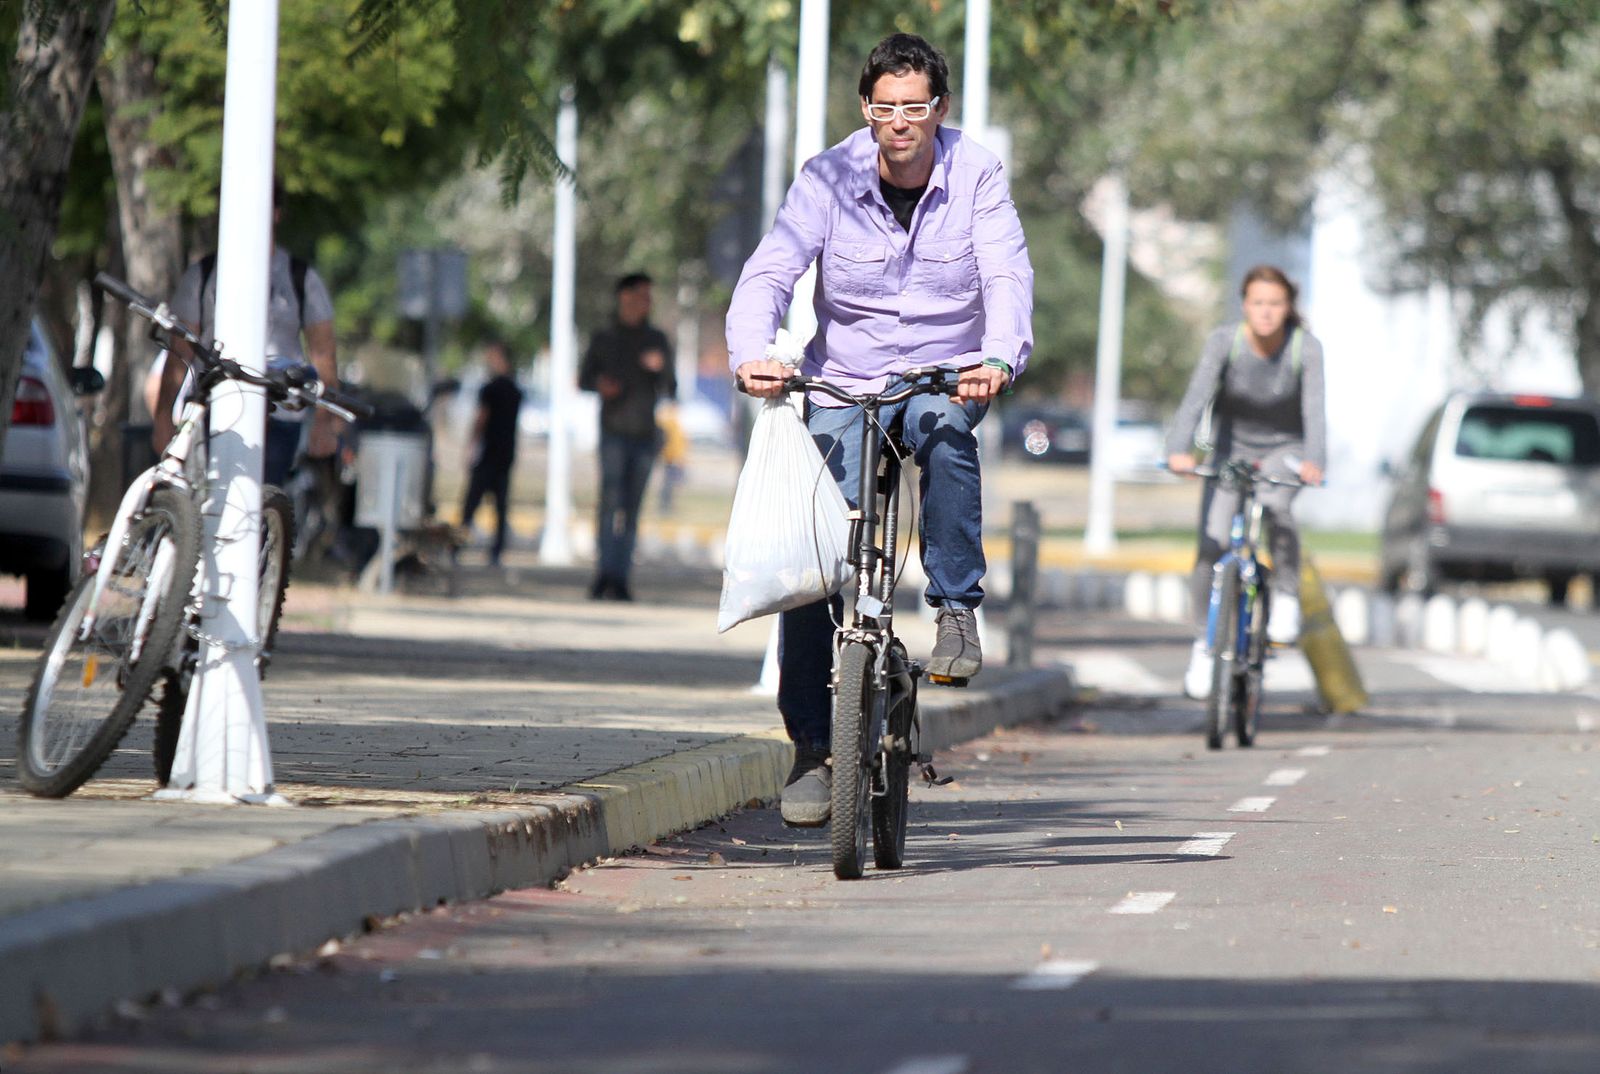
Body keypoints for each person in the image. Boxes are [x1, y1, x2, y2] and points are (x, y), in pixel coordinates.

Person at [726, 32, 1033, 826]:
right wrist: (752, 353)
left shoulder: (977, 175)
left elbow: (1005, 274)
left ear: (940, 110)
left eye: (916, 108)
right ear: (867, 109)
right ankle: (812, 752)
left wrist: (998, 356)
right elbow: (772, 268)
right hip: (846, 380)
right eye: (886, 108)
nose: (901, 123)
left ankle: (957, 609)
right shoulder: (826, 177)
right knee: (816, 557)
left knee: (945, 434)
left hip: (942, 374)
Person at [1165, 264, 1326, 700]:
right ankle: (1204, 643)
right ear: (1245, 305)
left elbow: (1314, 411)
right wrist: (1178, 450)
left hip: (1285, 451)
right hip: (1229, 452)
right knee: (1212, 543)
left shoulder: (1304, 348)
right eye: (1258, 303)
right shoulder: (1225, 342)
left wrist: (1314, 460)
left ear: (1288, 307)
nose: (1266, 312)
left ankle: (1286, 599)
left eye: (1275, 304)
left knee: (1277, 509)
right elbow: (1196, 398)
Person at [153, 181, 339, 491]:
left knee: (255, 501)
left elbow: (324, 354)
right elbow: (179, 355)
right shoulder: (203, 275)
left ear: (277, 214)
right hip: (211, 407)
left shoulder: (300, 277)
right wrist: (162, 417)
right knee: (202, 499)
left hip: (278, 413)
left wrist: (325, 422)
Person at [579, 272, 676, 601]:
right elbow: (584, 379)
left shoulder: (656, 339)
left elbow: (671, 386)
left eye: (650, 297)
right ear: (625, 297)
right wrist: (601, 385)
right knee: (609, 507)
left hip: (645, 436)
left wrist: (660, 368)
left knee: (632, 510)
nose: (647, 302)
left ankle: (621, 578)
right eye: (642, 295)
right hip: (613, 434)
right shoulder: (604, 337)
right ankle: (603, 574)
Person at [460, 339, 524, 566]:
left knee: (472, 503)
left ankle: (458, 545)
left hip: (490, 453)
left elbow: (481, 418)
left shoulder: (492, 389)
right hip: (505, 453)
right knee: (500, 505)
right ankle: (495, 550)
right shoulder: (515, 389)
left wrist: (471, 444)